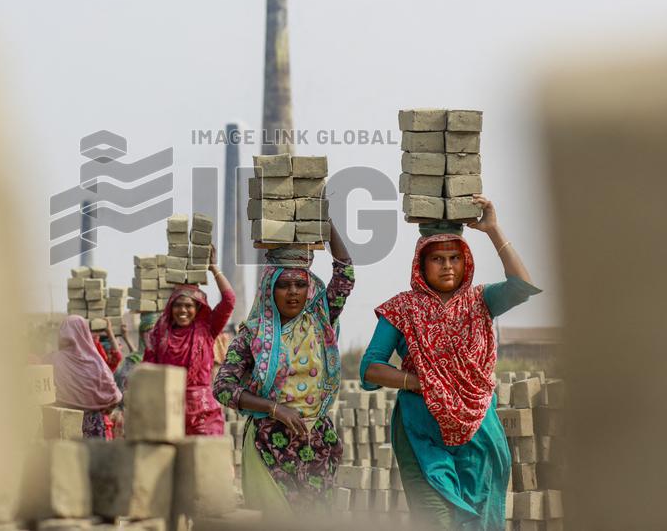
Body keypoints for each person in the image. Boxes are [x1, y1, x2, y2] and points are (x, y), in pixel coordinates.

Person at [360, 195, 541, 530]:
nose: (447, 266)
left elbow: (522, 286)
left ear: (465, 261)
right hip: (420, 433)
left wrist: (493, 230)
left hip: (478, 435)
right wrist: (422, 383)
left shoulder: (481, 301)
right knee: (436, 520)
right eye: (437, 259)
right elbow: (370, 369)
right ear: (420, 264)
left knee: (481, 518)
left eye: (455, 257)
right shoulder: (402, 309)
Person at [212, 220, 354, 514]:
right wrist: (275, 409)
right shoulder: (252, 334)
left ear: (309, 288)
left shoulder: (320, 322)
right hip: (268, 444)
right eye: (283, 285)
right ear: (269, 288)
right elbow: (223, 388)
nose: (292, 292)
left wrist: (322, 218)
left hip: (316, 443)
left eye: (300, 284)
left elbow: (345, 272)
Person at [144, 244, 235, 435]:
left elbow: (229, 300)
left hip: (203, 413)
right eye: (178, 305)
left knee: (206, 461)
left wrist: (213, 268)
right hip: (168, 411)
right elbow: (149, 371)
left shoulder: (207, 329)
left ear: (198, 308)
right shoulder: (159, 334)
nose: (183, 310)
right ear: (171, 307)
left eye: (188, 306)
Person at [47, 314, 122, 439]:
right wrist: (102, 409)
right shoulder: (96, 363)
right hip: (92, 429)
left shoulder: (50, 360)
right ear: (85, 333)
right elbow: (114, 397)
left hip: (61, 427)